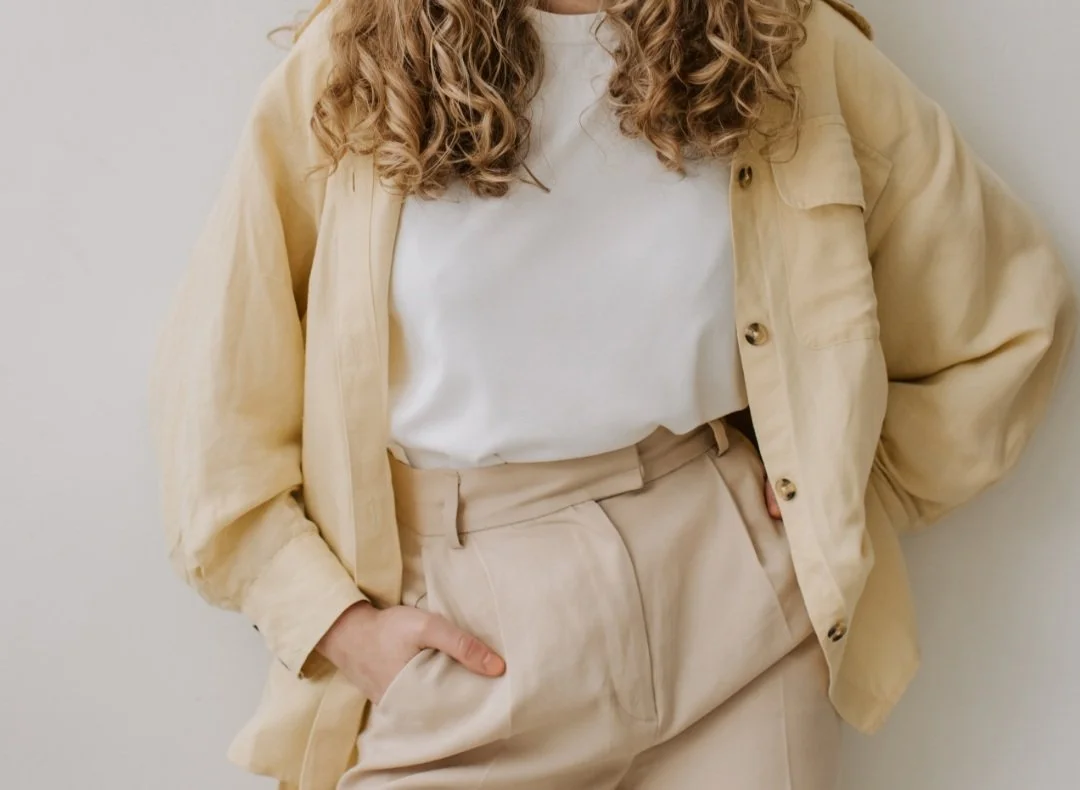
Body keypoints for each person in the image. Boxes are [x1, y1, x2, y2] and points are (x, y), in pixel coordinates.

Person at [149, 0, 1076, 788]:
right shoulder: (354, 58)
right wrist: (334, 624)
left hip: (736, 605)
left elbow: (1008, 311)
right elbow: (215, 410)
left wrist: (842, 496)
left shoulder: (778, 41)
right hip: (461, 620)